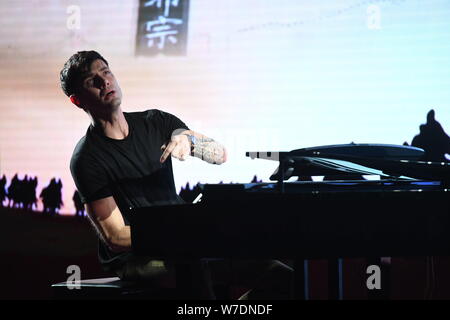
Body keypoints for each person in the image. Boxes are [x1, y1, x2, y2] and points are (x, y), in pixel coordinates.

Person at [60, 50, 292, 299]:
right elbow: (116, 237)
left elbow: (219, 154)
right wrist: (182, 234)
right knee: (193, 267)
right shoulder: (87, 157)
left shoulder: (156, 121)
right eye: (90, 80)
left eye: (105, 72)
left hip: (185, 243)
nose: (103, 81)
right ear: (77, 100)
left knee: (281, 276)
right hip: (137, 258)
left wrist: (189, 141)